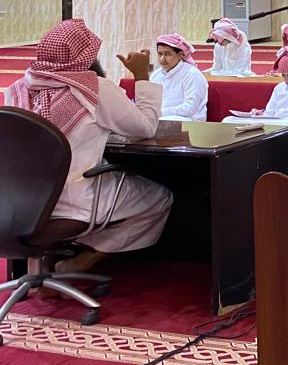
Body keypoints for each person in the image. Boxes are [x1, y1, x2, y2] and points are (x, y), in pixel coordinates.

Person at [6, 20, 173, 271]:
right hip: (73, 203)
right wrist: (141, 75)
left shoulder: (16, 90)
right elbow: (145, 128)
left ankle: (48, 262)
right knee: (159, 198)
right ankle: (83, 260)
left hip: (15, 204)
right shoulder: (94, 90)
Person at [223, 45, 288, 140]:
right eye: (283, 75)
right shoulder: (279, 88)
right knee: (228, 120)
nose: (286, 79)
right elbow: (269, 114)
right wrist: (257, 116)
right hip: (276, 125)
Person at [152, 33, 209, 121]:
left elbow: (189, 108)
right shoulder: (156, 75)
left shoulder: (192, 74)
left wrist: (160, 113)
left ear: (180, 55)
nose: (162, 59)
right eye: (160, 54)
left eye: (167, 54)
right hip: (161, 118)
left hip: (190, 121)